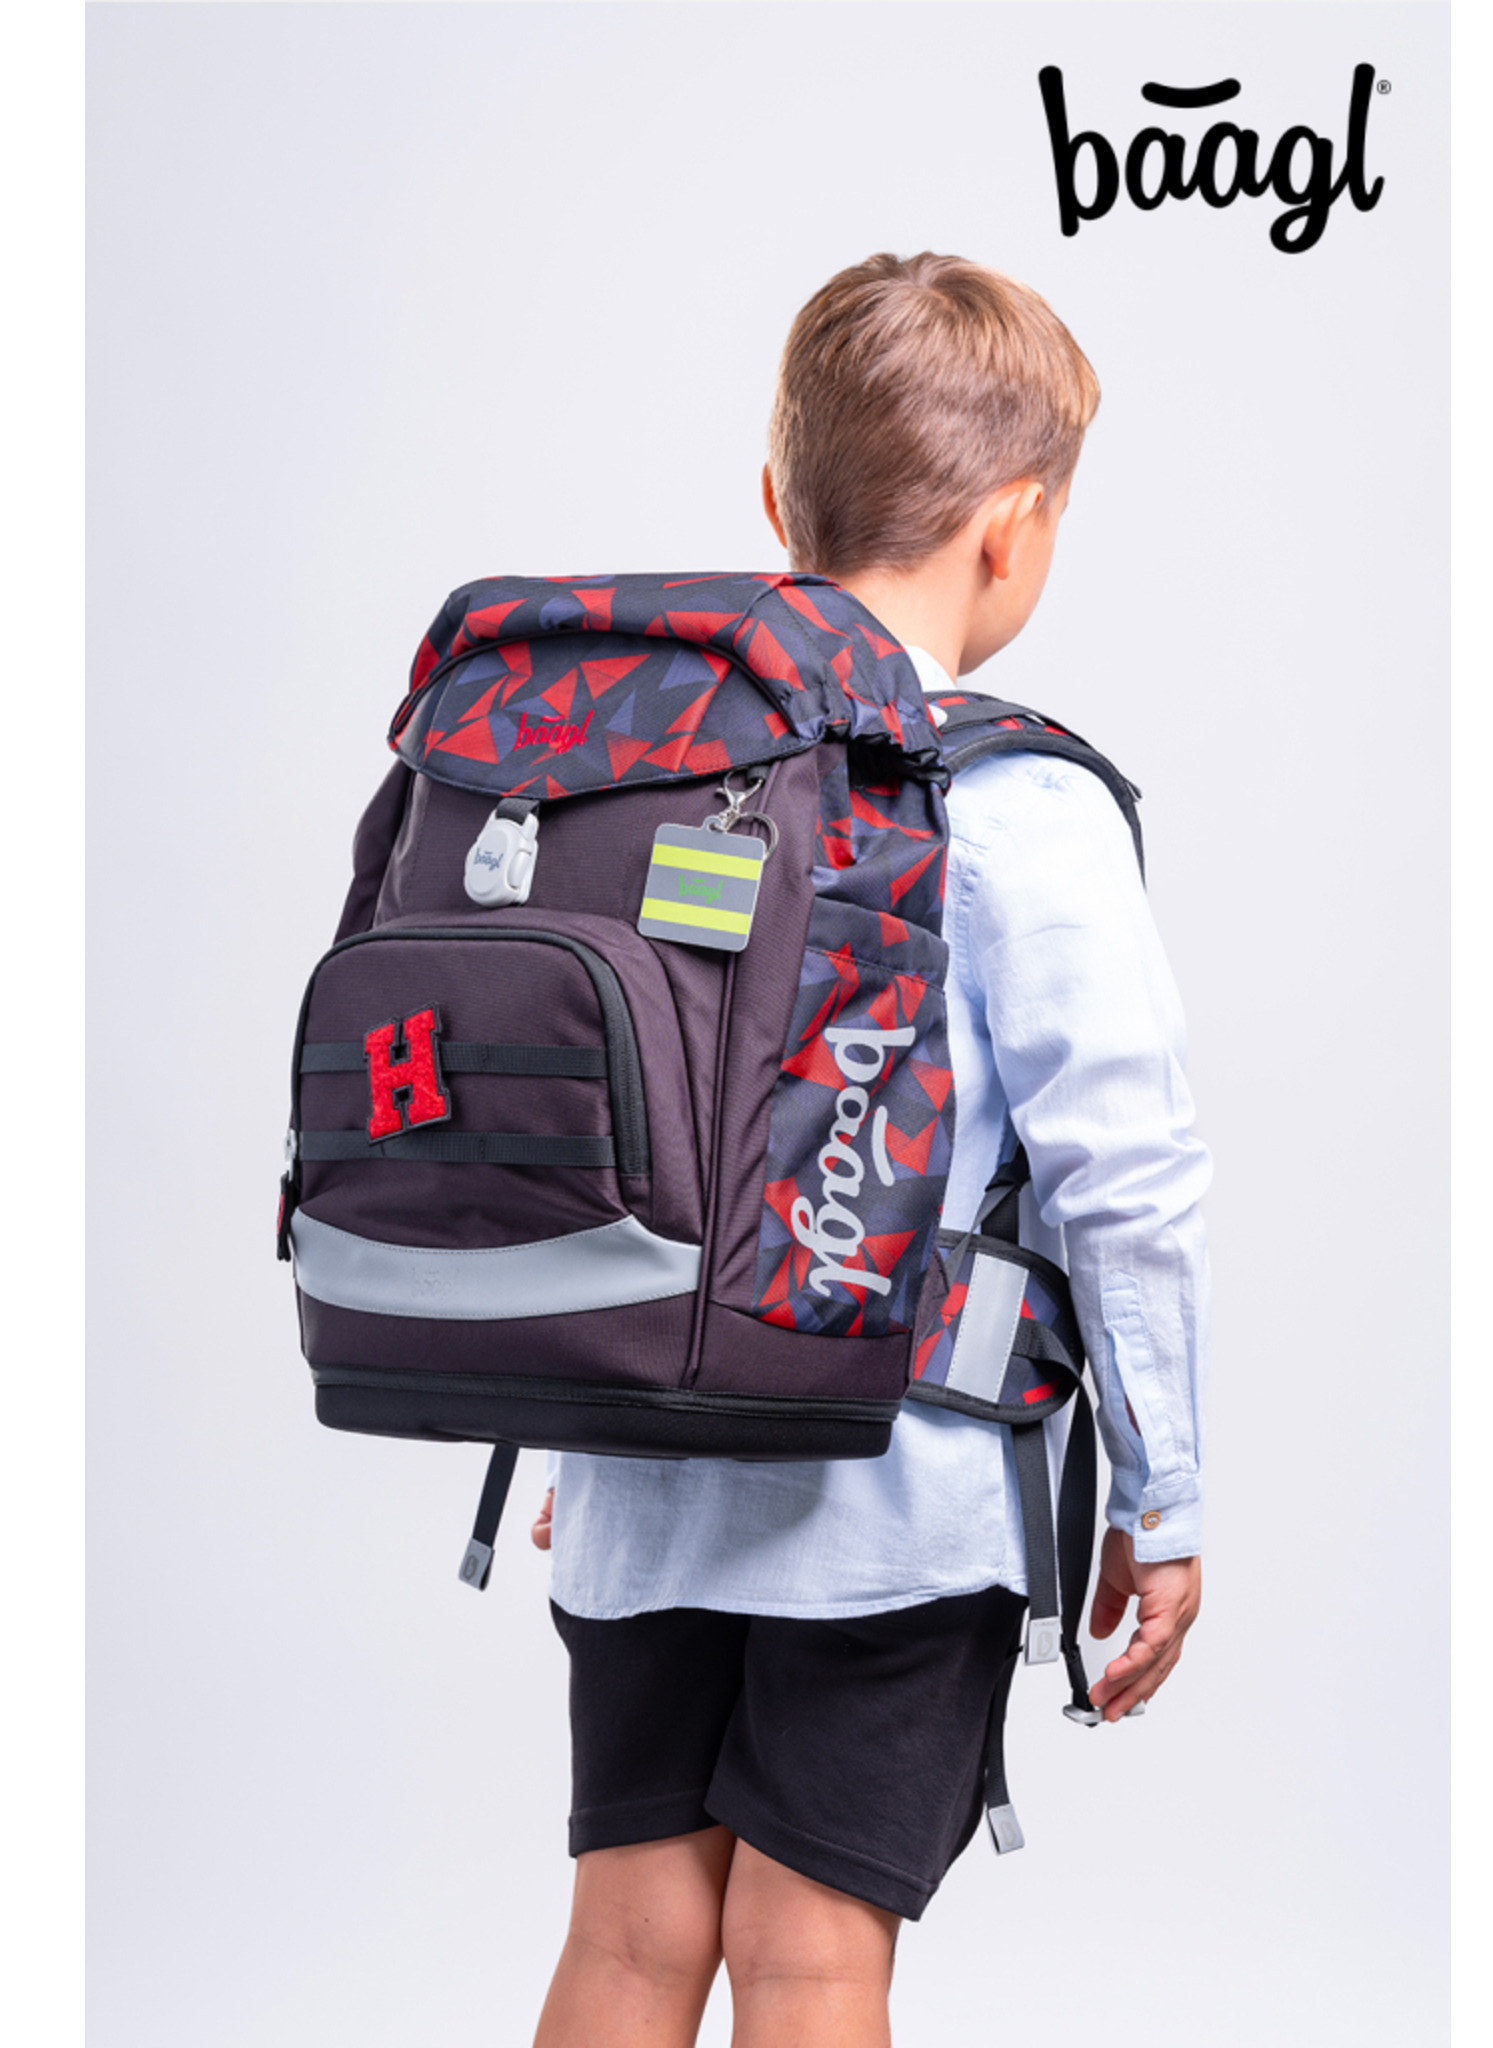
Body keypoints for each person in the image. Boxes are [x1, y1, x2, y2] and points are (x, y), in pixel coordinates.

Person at [527, 252, 1211, 2048]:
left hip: (641, 1461)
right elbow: (1125, 1181)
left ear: (777, 503)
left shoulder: (647, 764)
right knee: (813, 1952)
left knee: (625, 1940)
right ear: (1014, 529)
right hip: (898, 1492)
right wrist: (1164, 1497)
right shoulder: (1020, 802)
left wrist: (576, 1383)